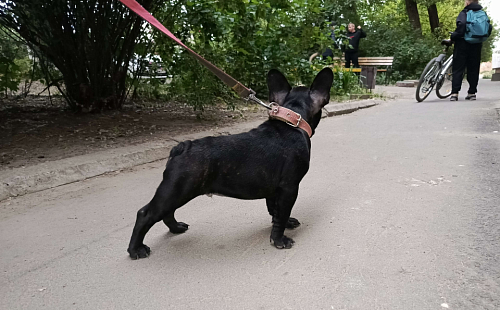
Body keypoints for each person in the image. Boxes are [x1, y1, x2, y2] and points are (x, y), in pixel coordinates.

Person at [450, 0, 492, 101]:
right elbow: (489, 27)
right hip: (477, 44)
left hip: (463, 43)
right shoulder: (482, 13)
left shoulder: (465, 12)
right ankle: (472, 92)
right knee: (473, 68)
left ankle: (455, 93)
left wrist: (453, 37)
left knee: (458, 68)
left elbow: (461, 26)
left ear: (468, 2)